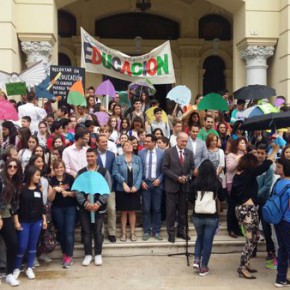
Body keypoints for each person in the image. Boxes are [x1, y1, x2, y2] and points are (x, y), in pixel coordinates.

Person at [231, 144, 279, 279]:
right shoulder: (249, 173)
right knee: (251, 240)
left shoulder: (237, 176)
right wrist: (274, 150)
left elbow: (233, 196)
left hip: (240, 210)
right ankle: (242, 267)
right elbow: (266, 165)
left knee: (254, 237)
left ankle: (246, 263)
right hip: (248, 211)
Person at [188, 159, 225, 276]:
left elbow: (190, 199)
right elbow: (223, 197)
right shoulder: (216, 182)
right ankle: (203, 267)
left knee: (199, 237)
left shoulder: (195, 183)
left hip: (197, 216)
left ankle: (196, 259)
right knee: (208, 241)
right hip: (212, 216)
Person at [76, 148, 111, 266]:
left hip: (99, 208)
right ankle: (87, 254)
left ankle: (98, 254)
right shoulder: (81, 173)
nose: (90, 158)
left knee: (97, 231)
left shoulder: (103, 171)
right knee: (86, 232)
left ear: (96, 157)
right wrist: (85, 204)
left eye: (92, 156)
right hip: (85, 208)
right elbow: (77, 191)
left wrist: (98, 203)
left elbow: (107, 189)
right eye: (88, 156)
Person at [13, 166, 47, 280]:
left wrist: (44, 220)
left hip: (36, 221)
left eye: (39, 175)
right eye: (37, 175)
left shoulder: (38, 190)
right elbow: (16, 207)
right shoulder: (21, 189)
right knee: (22, 246)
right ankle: (17, 268)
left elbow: (41, 206)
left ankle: (29, 267)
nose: (39, 177)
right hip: (24, 222)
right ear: (31, 175)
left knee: (33, 246)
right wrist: (16, 222)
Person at [162, 132, 195, 243]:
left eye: (186, 141)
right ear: (177, 140)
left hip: (185, 186)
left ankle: (181, 231)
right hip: (171, 185)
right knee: (171, 211)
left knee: (183, 211)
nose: (184, 143)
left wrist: (188, 177)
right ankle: (171, 233)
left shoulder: (189, 153)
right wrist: (177, 178)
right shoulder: (168, 152)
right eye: (182, 141)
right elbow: (165, 168)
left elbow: (192, 168)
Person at [48, 159, 76, 268]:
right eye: (57, 168)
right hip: (57, 209)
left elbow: (75, 194)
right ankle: (64, 253)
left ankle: (69, 256)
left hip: (70, 208)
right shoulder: (52, 180)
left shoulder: (70, 178)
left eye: (61, 167)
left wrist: (67, 193)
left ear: (64, 168)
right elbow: (50, 198)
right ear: (54, 169)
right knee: (62, 232)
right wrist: (54, 190)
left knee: (69, 232)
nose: (59, 170)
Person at [112, 140, 142, 242]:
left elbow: (140, 174)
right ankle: (123, 233)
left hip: (134, 189)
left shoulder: (138, 159)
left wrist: (136, 186)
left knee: (132, 211)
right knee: (124, 211)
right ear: (123, 148)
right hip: (122, 189)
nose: (129, 146)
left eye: (130, 144)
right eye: (126, 145)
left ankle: (132, 233)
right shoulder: (118, 159)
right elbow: (115, 172)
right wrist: (123, 183)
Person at [0, 158, 23, 286]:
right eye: (10, 166)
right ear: (6, 166)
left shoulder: (15, 181)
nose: (12, 168)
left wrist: (16, 221)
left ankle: (9, 274)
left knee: (13, 244)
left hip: (8, 215)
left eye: (15, 166)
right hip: (0, 215)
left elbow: (14, 204)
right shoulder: (0, 178)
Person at [254, 144, 276, 269]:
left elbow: (267, 187)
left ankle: (270, 251)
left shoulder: (269, 169)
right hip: (252, 202)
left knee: (266, 228)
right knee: (253, 227)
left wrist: (255, 195)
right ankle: (253, 249)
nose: (260, 155)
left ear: (266, 155)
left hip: (263, 201)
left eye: (262, 153)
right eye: (258, 152)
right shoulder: (253, 166)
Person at [138, 134, 164, 240]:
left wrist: (159, 179)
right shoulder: (140, 153)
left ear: (154, 142)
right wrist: (141, 181)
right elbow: (139, 169)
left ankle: (157, 231)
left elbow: (164, 169)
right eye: (145, 141)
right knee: (146, 208)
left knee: (157, 208)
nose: (146, 143)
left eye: (148, 141)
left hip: (157, 183)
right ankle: (147, 230)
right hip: (145, 184)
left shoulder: (162, 153)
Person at [96, 135, 116, 243]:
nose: (105, 144)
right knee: (100, 211)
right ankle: (101, 233)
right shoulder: (93, 155)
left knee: (112, 210)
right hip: (97, 189)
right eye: (103, 142)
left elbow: (114, 171)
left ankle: (112, 233)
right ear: (97, 143)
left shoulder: (112, 155)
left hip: (110, 187)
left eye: (106, 142)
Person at [273, 158, 290, 287]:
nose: (276, 169)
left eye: (278, 167)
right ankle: (281, 278)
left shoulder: (278, 182)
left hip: (278, 220)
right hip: (287, 221)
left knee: (282, 249)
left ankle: (281, 278)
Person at [226, 137, 247, 238]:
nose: (244, 144)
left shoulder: (246, 155)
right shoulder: (230, 155)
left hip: (243, 184)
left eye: (244, 143)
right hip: (231, 183)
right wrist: (238, 158)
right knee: (231, 208)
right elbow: (230, 168)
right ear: (237, 144)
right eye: (242, 143)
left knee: (239, 207)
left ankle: (238, 228)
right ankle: (231, 229)